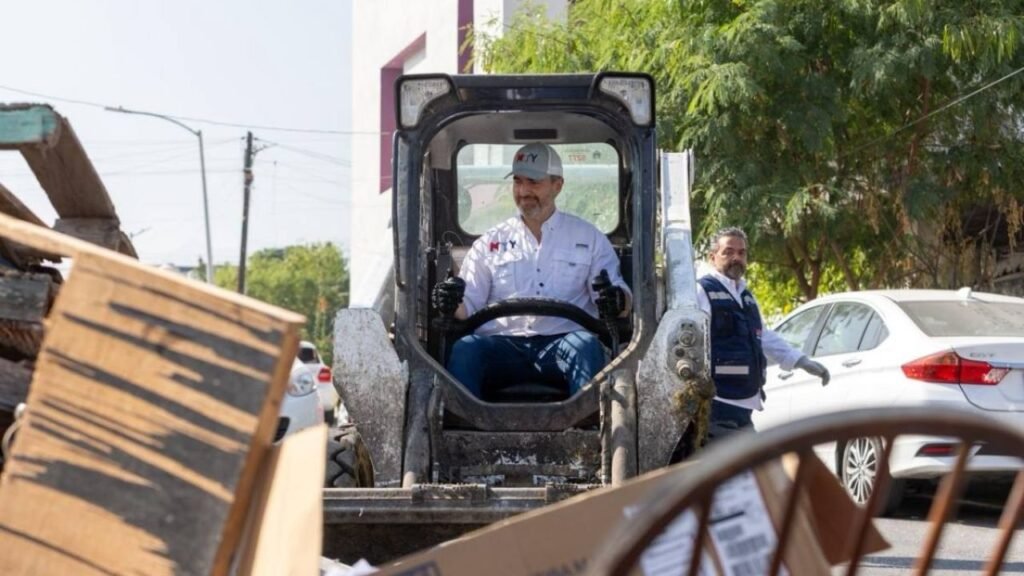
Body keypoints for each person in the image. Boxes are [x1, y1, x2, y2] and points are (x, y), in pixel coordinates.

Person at [431, 143, 632, 399]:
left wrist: (616, 299)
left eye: (534, 182)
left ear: (557, 185)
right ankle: (458, 432)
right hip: (502, 345)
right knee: (465, 349)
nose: (524, 191)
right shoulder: (490, 242)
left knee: (587, 347)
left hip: (563, 343)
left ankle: (588, 431)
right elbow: (467, 305)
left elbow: (619, 299)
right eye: (517, 181)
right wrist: (449, 300)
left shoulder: (589, 239)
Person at [697, 226, 830, 443]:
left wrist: (800, 360)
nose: (736, 258)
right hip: (719, 402)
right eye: (728, 252)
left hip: (745, 403)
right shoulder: (703, 291)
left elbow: (764, 337)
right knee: (741, 470)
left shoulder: (747, 297)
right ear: (712, 257)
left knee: (745, 471)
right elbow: (693, 343)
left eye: (741, 253)